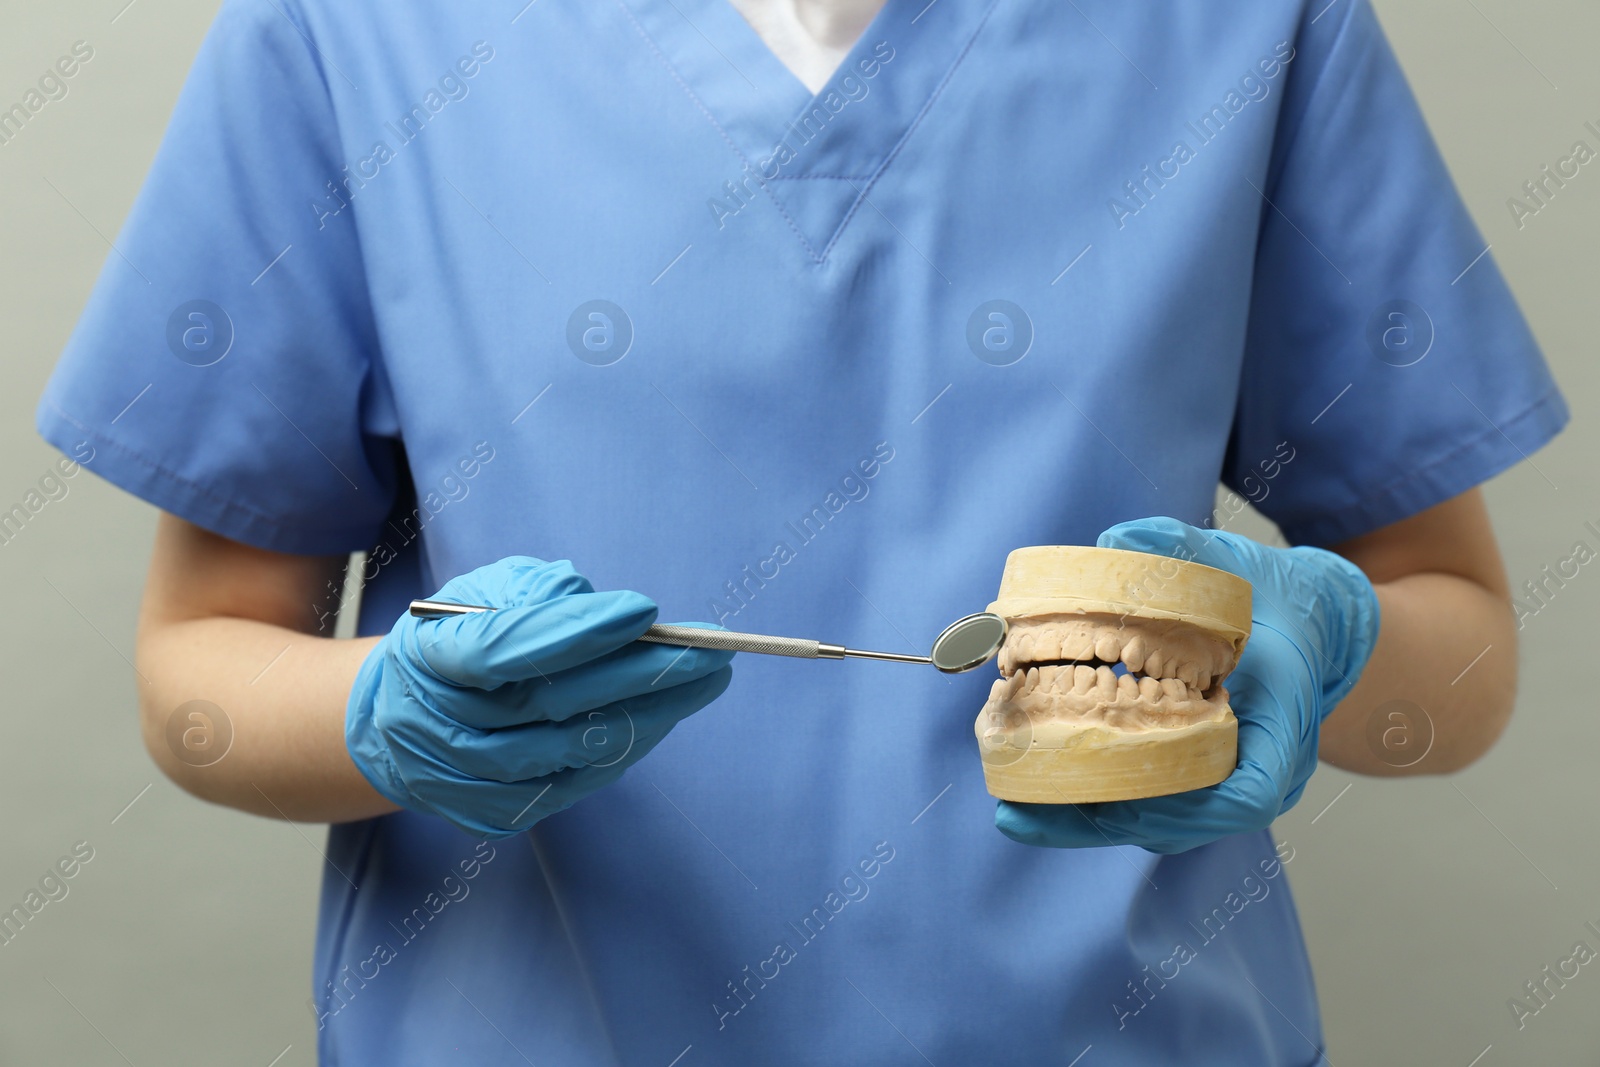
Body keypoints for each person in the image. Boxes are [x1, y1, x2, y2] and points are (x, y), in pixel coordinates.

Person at [36, 0, 1565, 1062]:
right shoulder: (348, 34)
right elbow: (198, 678)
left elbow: (1463, 657)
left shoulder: (1250, 29)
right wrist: (387, 714)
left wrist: (1327, 641)